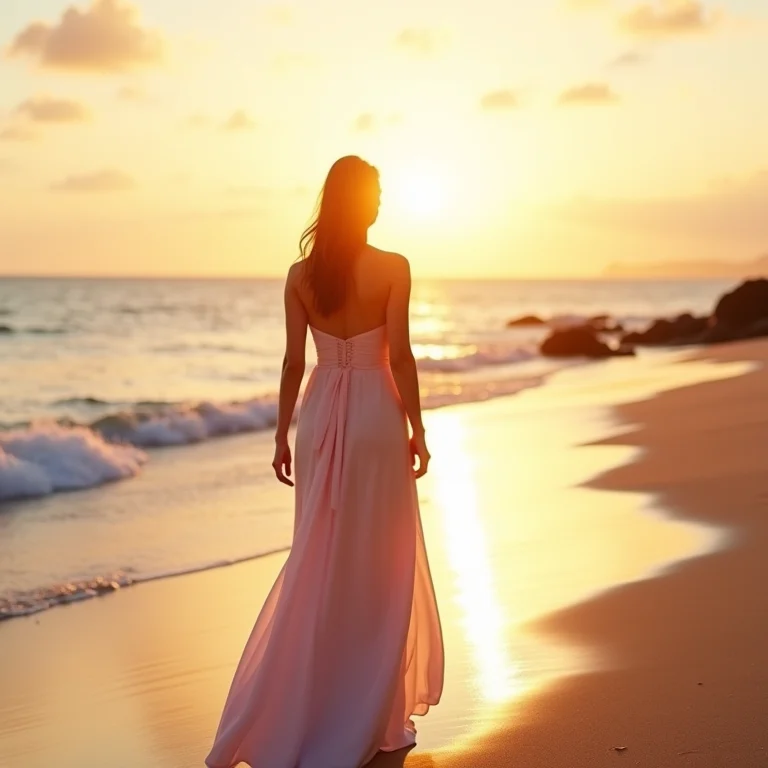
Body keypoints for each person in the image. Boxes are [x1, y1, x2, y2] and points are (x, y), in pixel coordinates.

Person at [205, 156, 444, 768]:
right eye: (377, 193)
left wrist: (281, 434)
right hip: (374, 417)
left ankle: (309, 702)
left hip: (317, 420)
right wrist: (418, 428)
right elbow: (401, 357)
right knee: (380, 559)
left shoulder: (299, 276)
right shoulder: (393, 267)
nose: (382, 202)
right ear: (360, 202)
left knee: (319, 555)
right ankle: (366, 706)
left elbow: (293, 362)